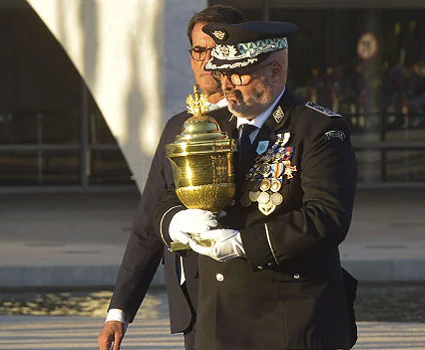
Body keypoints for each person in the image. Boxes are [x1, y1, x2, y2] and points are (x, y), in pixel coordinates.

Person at [155, 21, 359, 350]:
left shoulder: (317, 129)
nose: (227, 87)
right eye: (222, 76)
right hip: (220, 320)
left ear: (275, 72)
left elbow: (327, 217)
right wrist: (178, 221)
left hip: (288, 320)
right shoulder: (211, 126)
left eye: (238, 76)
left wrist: (243, 243)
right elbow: (169, 193)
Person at [97, 5, 246, 350]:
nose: (207, 60)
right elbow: (148, 224)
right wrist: (119, 311)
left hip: (248, 298)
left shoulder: (254, 123)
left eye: (216, 50)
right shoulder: (177, 128)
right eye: (199, 50)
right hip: (194, 301)